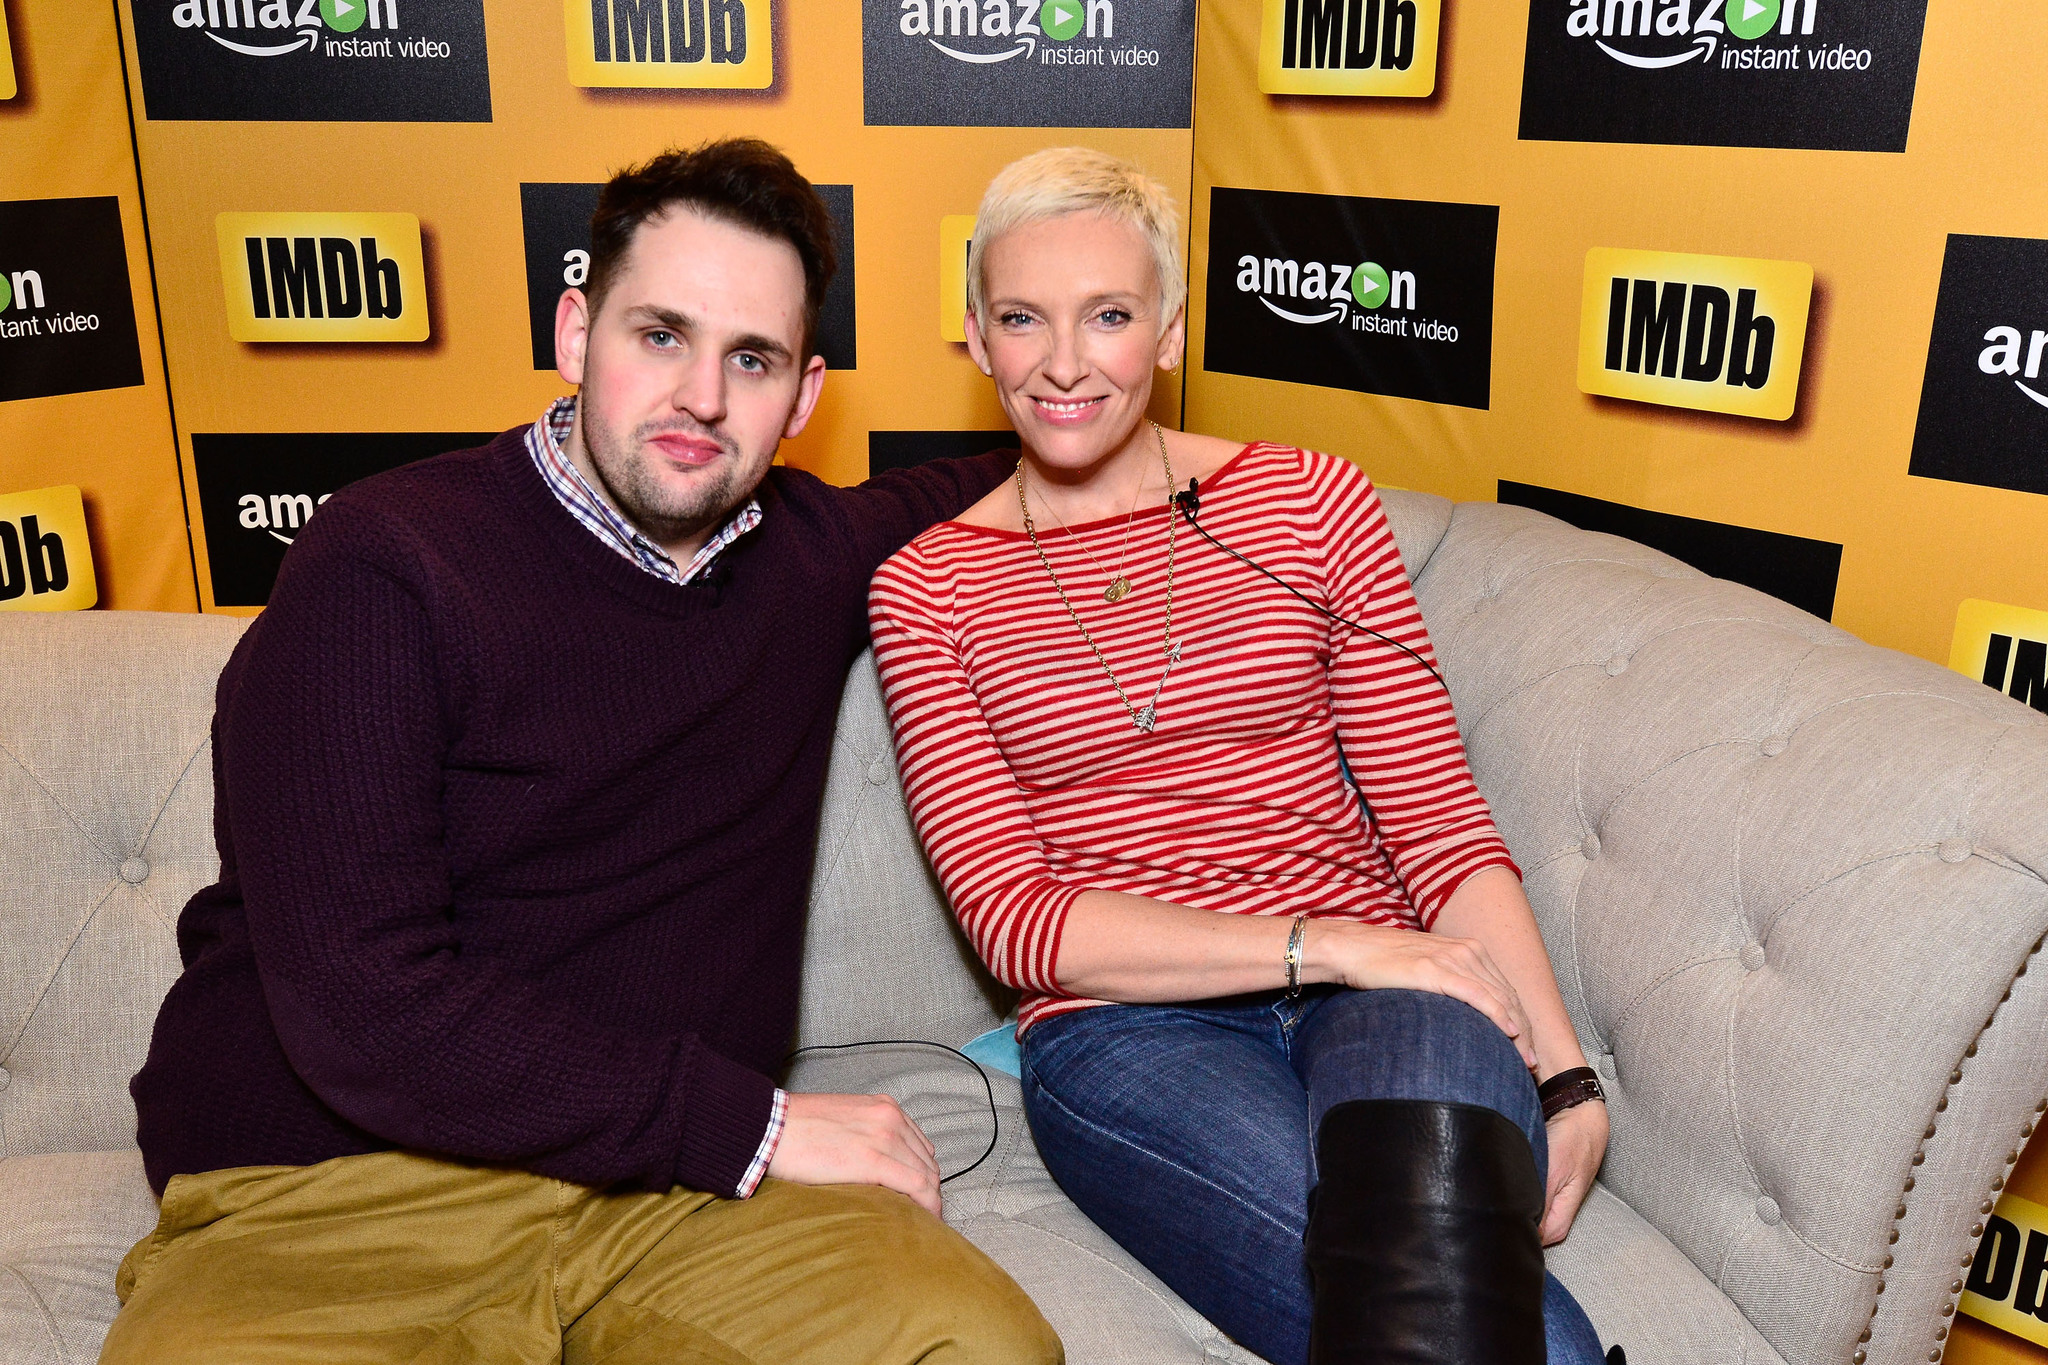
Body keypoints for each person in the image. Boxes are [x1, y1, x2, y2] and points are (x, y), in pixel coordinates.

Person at [103, 139, 1060, 1365]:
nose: (701, 397)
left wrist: (1182, 456)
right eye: (659, 335)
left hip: (673, 1210)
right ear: (574, 333)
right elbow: (361, 1001)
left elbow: (1032, 468)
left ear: (803, 398)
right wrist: (749, 1127)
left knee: (973, 1346)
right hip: (332, 1199)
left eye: (749, 359)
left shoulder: (807, 555)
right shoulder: (386, 562)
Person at [868, 146, 1615, 1365]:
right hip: (1126, 1032)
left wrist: (1567, 1071)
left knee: (1424, 1275)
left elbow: (1431, 813)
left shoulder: (1309, 499)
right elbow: (1012, 919)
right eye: (1021, 318)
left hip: (1382, 994)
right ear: (973, 334)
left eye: (1107, 315)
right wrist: (1324, 942)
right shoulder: (927, 587)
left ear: (1167, 328)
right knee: (1465, 1325)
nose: (1063, 363)